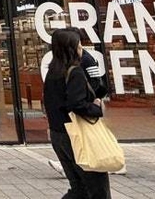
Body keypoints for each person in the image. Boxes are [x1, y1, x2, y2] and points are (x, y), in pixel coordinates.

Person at [44, 28, 110, 199]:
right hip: (77, 136)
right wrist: (97, 108)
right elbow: (76, 104)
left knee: (79, 189)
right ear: (71, 49)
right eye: (79, 45)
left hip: (59, 134)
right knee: (97, 189)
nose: (81, 49)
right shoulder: (74, 72)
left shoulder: (52, 72)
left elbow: (50, 104)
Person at [47, 45, 122, 177]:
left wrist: (94, 101)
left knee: (92, 137)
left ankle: (111, 161)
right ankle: (106, 161)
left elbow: (97, 82)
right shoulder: (70, 66)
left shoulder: (85, 61)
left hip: (88, 106)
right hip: (86, 106)